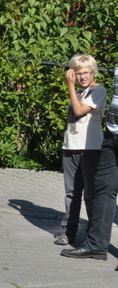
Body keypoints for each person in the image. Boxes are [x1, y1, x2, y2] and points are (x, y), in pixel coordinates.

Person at [61, 65, 118, 261]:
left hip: (95, 144)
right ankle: (96, 246)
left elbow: (79, 110)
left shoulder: (98, 90)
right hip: (112, 134)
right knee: (103, 190)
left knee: (96, 192)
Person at [53, 54, 106, 246]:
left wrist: (70, 86)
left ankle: (93, 236)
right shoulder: (77, 91)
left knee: (90, 194)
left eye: (86, 73)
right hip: (70, 146)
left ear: (93, 72)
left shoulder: (98, 91)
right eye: (78, 73)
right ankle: (69, 231)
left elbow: (79, 111)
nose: (82, 77)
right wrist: (73, 88)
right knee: (71, 193)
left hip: (90, 148)